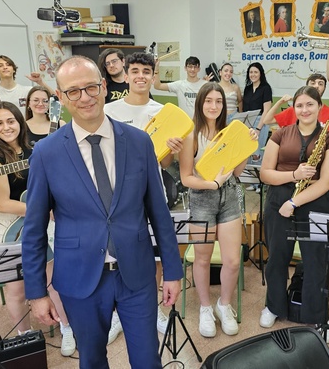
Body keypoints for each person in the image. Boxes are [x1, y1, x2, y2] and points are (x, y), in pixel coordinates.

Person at [21, 55, 183, 368]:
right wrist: (37, 292)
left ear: (105, 87)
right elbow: (34, 229)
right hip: (79, 277)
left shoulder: (139, 142)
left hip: (135, 273)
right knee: (92, 360)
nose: (85, 97)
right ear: (61, 97)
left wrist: (173, 271)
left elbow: (158, 212)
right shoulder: (47, 153)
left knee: (148, 359)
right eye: (73, 91)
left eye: (91, 87)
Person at [0, 102, 77, 357]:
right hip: (12, 228)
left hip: (41, 226)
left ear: (20, 122)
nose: (6, 127)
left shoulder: (35, 150)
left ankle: (66, 327)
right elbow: (3, 203)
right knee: (16, 289)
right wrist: (42, 209)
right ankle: (24, 337)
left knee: (52, 282)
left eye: (11, 121)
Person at [104, 51, 184, 337]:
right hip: (115, 197)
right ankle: (115, 313)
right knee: (116, 255)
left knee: (154, 256)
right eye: (134, 70)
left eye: (146, 72)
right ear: (126, 75)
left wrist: (171, 152)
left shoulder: (162, 112)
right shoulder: (109, 111)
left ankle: (154, 310)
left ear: (152, 77)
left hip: (152, 195)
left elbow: (163, 164)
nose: (140, 76)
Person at [259, 85, 329, 336]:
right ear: (293, 108)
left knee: (316, 260)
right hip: (278, 202)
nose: (304, 110)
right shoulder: (280, 134)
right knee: (276, 258)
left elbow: (326, 182)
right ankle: (273, 306)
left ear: (319, 107)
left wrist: (294, 202)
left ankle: (318, 317)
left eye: (310, 104)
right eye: (299, 105)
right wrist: (294, 174)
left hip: (314, 203)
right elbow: (265, 174)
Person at [179, 82, 257, 337]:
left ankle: (224, 305)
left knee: (233, 261)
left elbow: (236, 171)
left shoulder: (229, 131)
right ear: (200, 103)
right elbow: (186, 178)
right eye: (209, 101)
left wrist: (246, 146)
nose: (214, 106)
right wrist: (210, 184)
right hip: (201, 199)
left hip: (229, 198)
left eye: (219, 101)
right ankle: (204, 308)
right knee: (202, 258)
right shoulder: (190, 134)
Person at [261, 73, 329, 135]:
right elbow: (267, 120)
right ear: (306, 87)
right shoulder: (295, 110)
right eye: (313, 83)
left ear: (324, 88)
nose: (316, 86)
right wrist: (279, 102)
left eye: (320, 84)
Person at [242, 62, 272, 191]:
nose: (253, 75)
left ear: (260, 74)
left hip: (261, 122)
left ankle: (260, 183)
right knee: (249, 151)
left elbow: (267, 111)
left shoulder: (266, 88)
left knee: (257, 153)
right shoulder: (247, 88)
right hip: (249, 122)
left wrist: (258, 128)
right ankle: (252, 181)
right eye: (251, 72)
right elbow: (244, 109)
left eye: (255, 72)